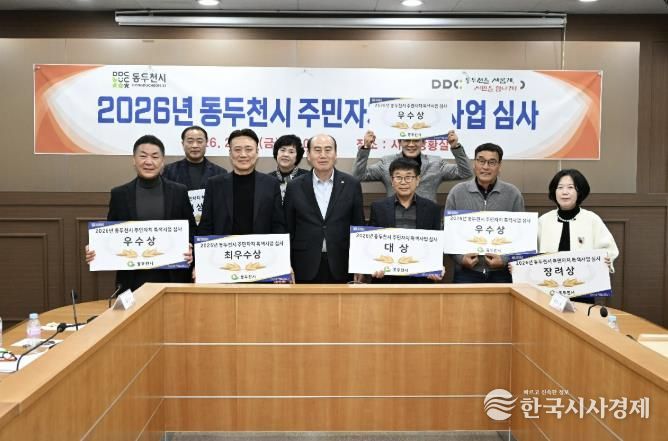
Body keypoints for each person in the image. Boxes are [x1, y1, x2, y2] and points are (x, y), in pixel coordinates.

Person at [86, 135, 196, 292]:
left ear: (162, 161)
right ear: (134, 160)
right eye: (143, 156)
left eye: (155, 157)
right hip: (132, 278)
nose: (149, 162)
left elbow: (191, 228)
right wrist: (96, 248)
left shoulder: (179, 191)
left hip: (172, 276)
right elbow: (110, 234)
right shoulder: (119, 194)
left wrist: (190, 246)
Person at [284, 134, 364, 283]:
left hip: (342, 263)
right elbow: (288, 229)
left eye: (328, 150)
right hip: (303, 263)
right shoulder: (294, 186)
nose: (323, 155)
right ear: (309, 155)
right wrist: (285, 264)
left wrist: (359, 264)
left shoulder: (351, 184)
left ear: (335, 154)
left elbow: (358, 227)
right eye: (317, 150)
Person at [445, 143, 524, 283]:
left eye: (492, 162)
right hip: (466, 272)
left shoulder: (513, 194)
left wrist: (504, 260)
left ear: (499, 166)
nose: (485, 167)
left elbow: (522, 234)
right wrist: (460, 258)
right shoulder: (457, 192)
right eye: (481, 161)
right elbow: (447, 232)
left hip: (502, 273)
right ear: (474, 163)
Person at [367, 157, 444, 283]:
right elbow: (372, 244)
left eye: (409, 177)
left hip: (421, 280)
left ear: (417, 180)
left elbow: (437, 246)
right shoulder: (378, 208)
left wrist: (436, 266)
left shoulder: (432, 209)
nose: (403, 182)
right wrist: (374, 265)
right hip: (387, 279)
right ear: (392, 181)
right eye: (398, 177)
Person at [198, 128, 285, 236]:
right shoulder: (214, 184)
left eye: (248, 149)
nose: (243, 155)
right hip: (224, 246)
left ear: (257, 152)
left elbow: (278, 225)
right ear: (230, 153)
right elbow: (206, 225)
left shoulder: (271, 184)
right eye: (237, 150)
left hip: (259, 246)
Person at [352, 129, 472, 202]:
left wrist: (455, 147)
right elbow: (358, 176)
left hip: (426, 222)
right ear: (399, 142)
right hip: (394, 222)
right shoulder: (386, 162)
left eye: (416, 140)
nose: (411, 144)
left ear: (423, 142)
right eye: (406, 140)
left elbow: (466, 173)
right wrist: (366, 148)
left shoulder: (436, 163)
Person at [538, 169, 619, 272]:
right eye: (560, 187)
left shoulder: (592, 219)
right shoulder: (543, 221)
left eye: (570, 187)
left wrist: (607, 259)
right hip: (550, 278)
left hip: (584, 278)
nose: (564, 192)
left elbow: (609, 249)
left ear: (579, 191)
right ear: (554, 191)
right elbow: (531, 253)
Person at [162, 125, 227, 190]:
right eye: (190, 142)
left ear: (206, 143)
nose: (195, 145)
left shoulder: (220, 173)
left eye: (199, 142)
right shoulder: (170, 170)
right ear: (183, 144)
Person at [267, 134, 309, 200]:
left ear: (297, 156)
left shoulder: (307, 178)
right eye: (282, 150)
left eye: (291, 152)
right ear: (276, 153)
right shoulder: (267, 179)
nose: (286, 154)